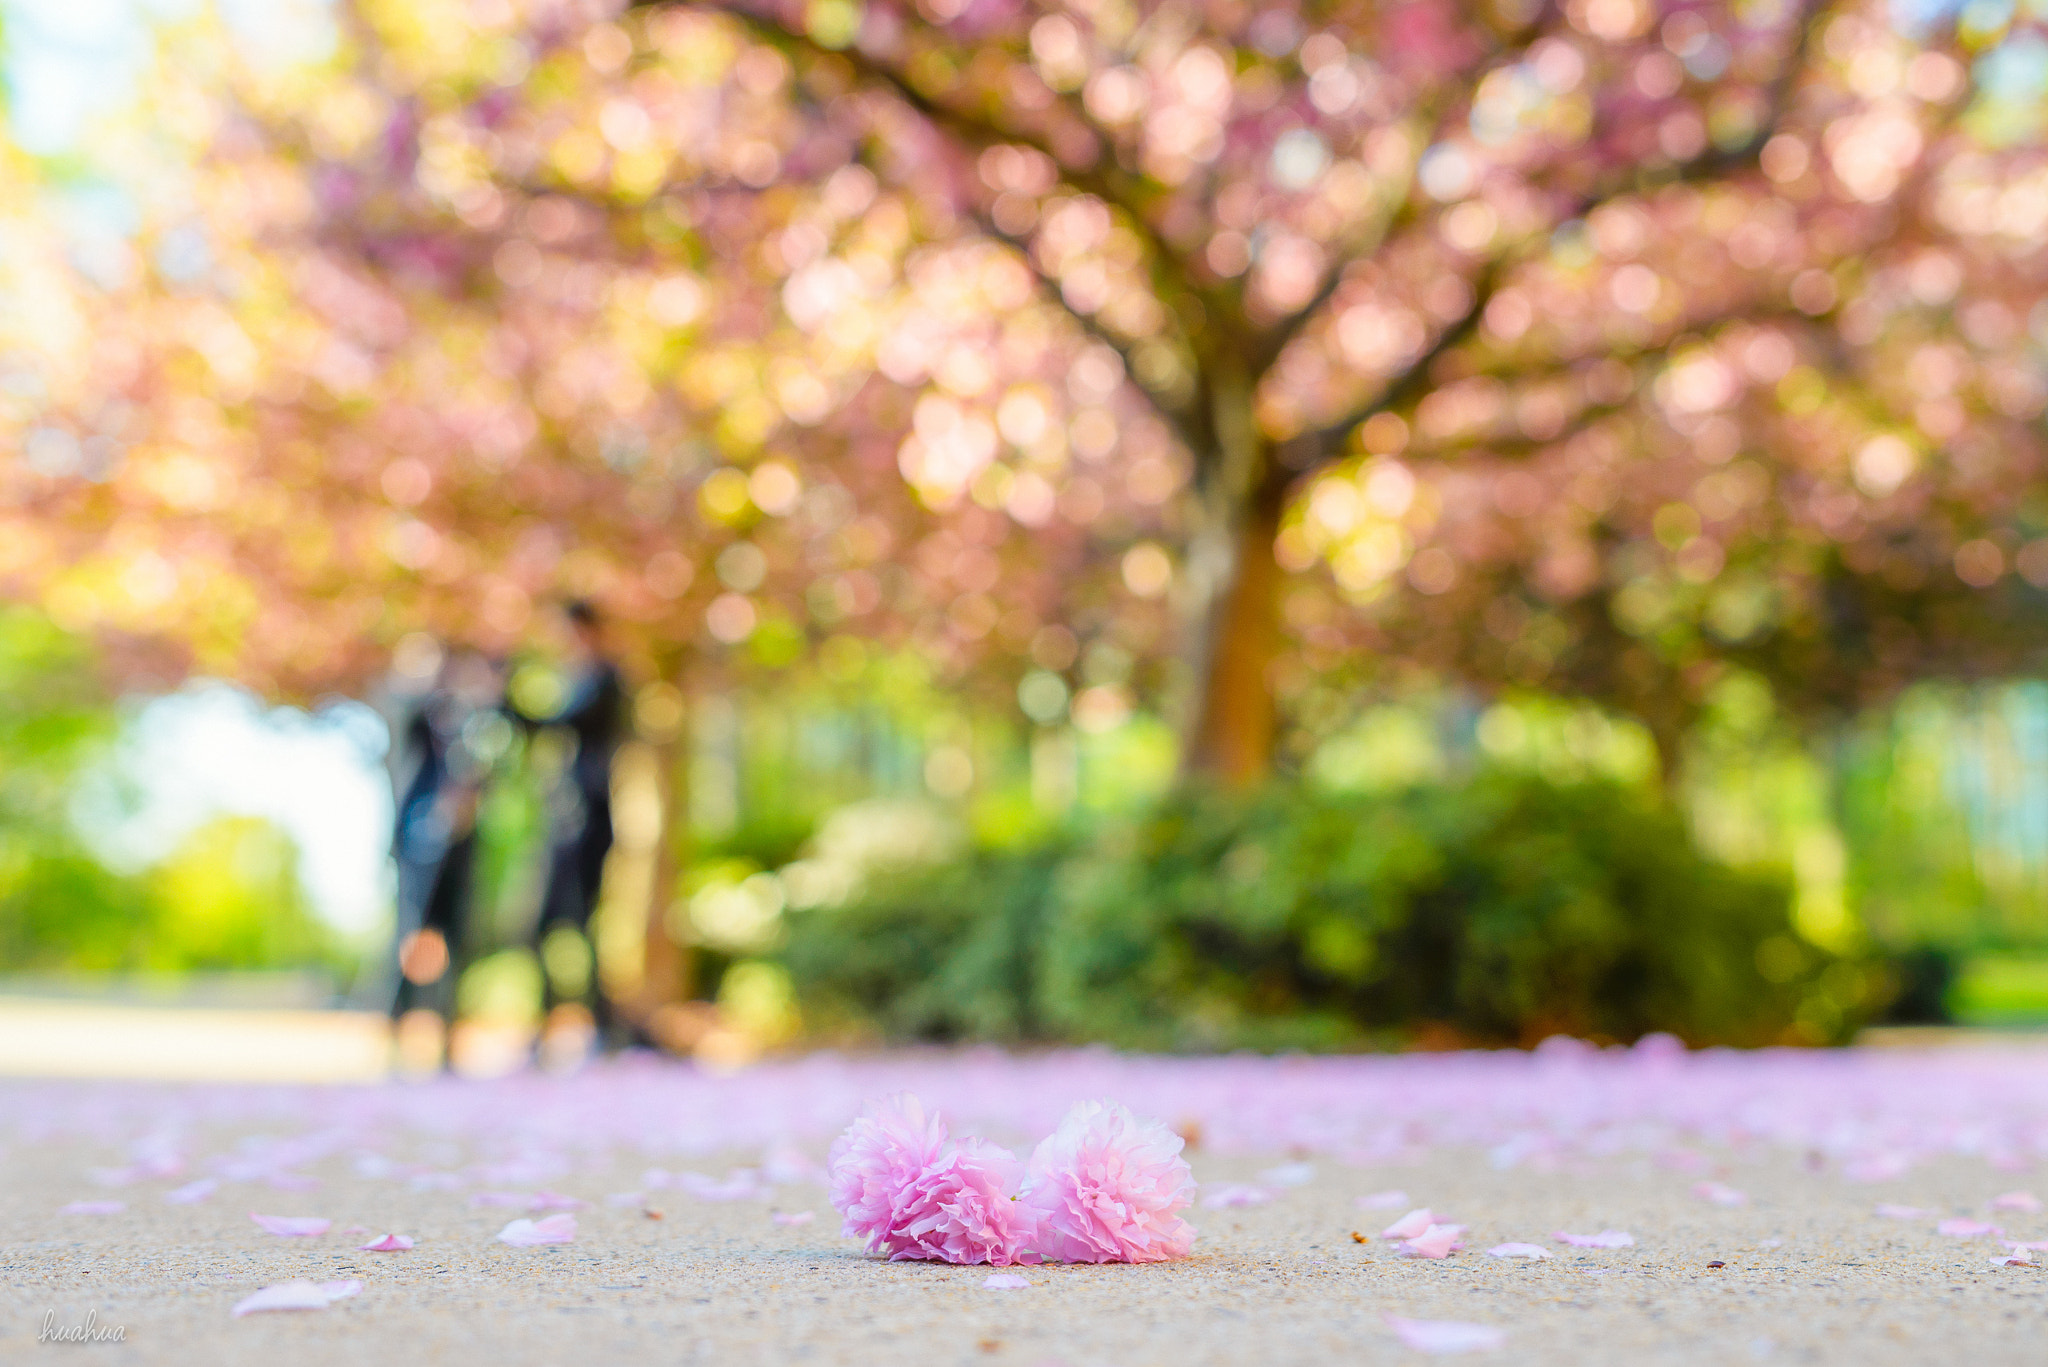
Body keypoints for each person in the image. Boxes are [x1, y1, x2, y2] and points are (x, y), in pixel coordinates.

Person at [521, 600, 625, 1047]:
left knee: (582, 924)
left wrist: (518, 710)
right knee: (544, 925)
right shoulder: (574, 680)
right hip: (563, 817)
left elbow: (567, 723)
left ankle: (598, 1027)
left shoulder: (604, 680)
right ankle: (552, 1025)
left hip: (590, 817)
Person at [387, 648, 501, 1039]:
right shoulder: (421, 713)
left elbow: (483, 768)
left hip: (459, 842)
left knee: (454, 935)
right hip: (418, 839)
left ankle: (447, 1027)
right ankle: (397, 1020)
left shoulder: (470, 721)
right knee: (412, 931)